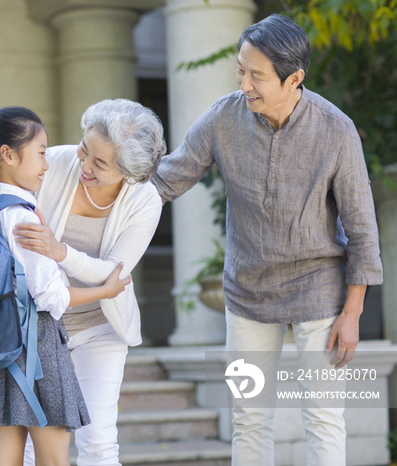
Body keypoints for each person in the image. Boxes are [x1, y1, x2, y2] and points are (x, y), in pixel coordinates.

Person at [151, 14, 383, 466]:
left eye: (256, 75)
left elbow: (361, 228)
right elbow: (166, 180)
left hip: (319, 289)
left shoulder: (336, 130)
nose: (244, 83)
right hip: (246, 293)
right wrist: (101, 205)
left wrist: (352, 312)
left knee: (323, 415)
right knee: (249, 415)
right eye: (241, 69)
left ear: (293, 78)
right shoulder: (223, 117)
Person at [0, 99, 165, 466]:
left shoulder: (145, 200)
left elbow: (114, 272)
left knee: (99, 443)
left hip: (97, 328)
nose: (84, 165)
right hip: (31, 330)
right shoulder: (54, 162)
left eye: (100, 163)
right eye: (84, 149)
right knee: (25, 443)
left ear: (129, 172)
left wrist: (60, 252)